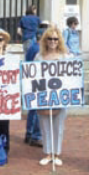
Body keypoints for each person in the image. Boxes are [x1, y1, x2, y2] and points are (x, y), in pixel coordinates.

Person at [34, 24, 70, 167]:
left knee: (58, 124)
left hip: (60, 94)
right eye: (50, 39)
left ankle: (56, 153)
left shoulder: (65, 56)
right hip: (43, 94)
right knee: (44, 124)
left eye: (55, 39)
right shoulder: (39, 56)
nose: (53, 42)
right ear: (45, 40)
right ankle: (48, 153)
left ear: (59, 40)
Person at [23, 20, 48, 146]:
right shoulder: (38, 49)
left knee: (33, 109)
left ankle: (29, 133)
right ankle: (35, 135)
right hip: (38, 81)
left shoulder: (32, 47)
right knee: (38, 109)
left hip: (31, 80)